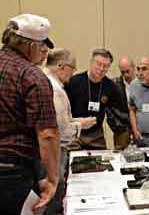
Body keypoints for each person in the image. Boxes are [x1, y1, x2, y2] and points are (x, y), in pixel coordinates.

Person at [0, 14, 60, 214]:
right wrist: (52, 179)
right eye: (43, 45)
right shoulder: (32, 76)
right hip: (12, 174)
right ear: (31, 45)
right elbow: (47, 134)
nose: (45, 51)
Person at [43, 48, 96, 214]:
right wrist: (82, 125)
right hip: (54, 149)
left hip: (47, 148)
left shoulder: (45, 82)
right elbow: (63, 130)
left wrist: (76, 121)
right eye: (72, 69)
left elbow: (58, 121)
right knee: (54, 194)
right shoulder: (56, 90)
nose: (72, 75)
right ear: (61, 66)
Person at [65, 48, 123, 149]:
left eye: (105, 66)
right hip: (75, 132)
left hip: (96, 135)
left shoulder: (110, 86)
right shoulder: (73, 82)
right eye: (98, 64)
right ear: (91, 63)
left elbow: (118, 112)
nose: (101, 69)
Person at [110, 56, 136, 150]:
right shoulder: (114, 85)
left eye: (128, 71)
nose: (125, 75)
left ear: (133, 68)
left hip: (139, 127)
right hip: (121, 129)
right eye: (122, 72)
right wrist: (115, 125)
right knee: (120, 156)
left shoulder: (142, 83)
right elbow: (109, 108)